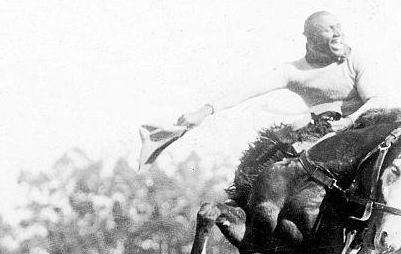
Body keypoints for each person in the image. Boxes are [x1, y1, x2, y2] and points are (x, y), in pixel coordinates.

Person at [141, 11, 388, 164]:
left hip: (369, 132)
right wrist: (204, 111)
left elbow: (375, 100)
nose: (338, 33)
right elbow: (247, 89)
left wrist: (349, 121)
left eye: (338, 27)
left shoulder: (357, 59)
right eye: (329, 29)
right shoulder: (293, 71)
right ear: (311, 39)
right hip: (329, 138)